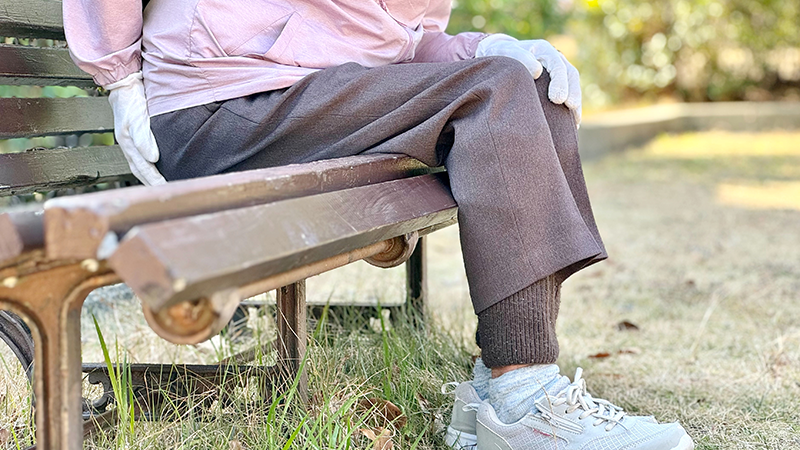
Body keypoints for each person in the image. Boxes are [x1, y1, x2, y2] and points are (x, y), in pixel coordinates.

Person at [64, 1, 693, 448]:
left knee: (534, 86)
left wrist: (486, 48)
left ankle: (507, 384)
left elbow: (402, 43)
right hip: (221, 104)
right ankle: (526, 403)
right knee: (497, 89)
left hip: (321, 100)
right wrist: (121, 78)